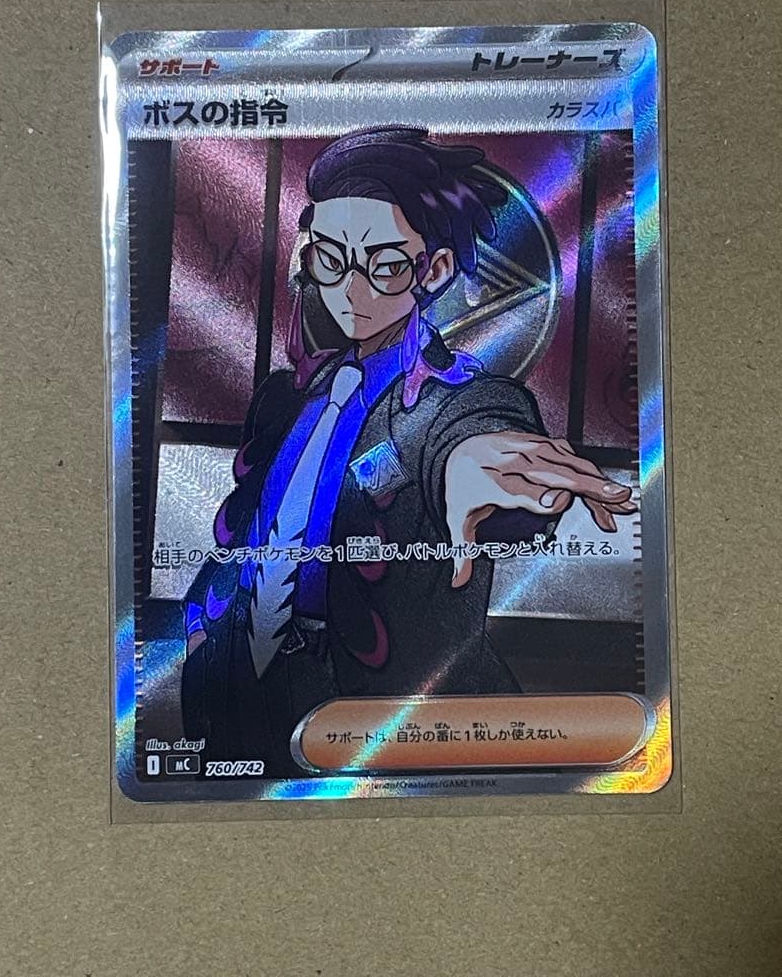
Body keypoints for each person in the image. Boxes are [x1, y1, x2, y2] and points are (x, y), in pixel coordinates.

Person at [181, 127, 635, 774]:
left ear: (436, 271)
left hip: (389, 721)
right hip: (246, 700)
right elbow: (245, 531)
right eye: (331, 259)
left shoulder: (457, 400)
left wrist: (472, 469)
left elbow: (464, 440)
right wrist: (202, 625)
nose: (353, 290)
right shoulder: (287, 399)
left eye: (386, 266)